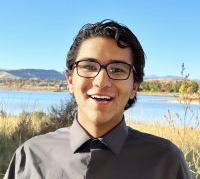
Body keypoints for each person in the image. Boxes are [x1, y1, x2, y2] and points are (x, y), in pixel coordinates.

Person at [4, 20, 192, 179]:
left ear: (134, 86)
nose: (101, 81)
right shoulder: (30, 156)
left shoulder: (166, 161)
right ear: (70, 81)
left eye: (118, 69)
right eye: (89, 66)